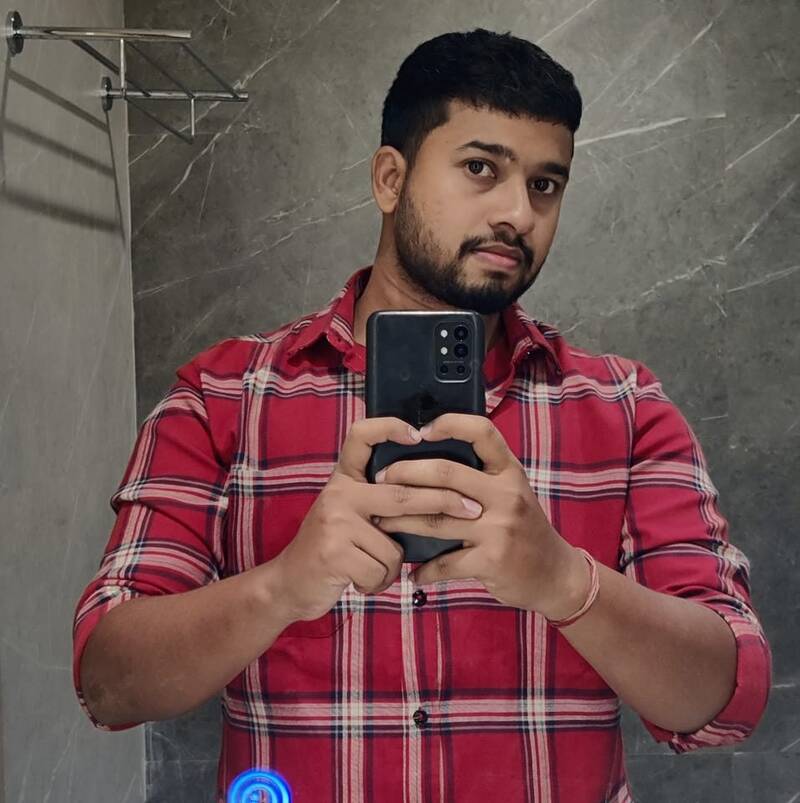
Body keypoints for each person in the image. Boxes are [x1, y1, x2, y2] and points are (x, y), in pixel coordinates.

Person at [72, 28, 772, 802]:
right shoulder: (225, 396)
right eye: (481, 168)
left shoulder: (626, 408)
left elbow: (728, 699)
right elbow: (108, 680)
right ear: (389, 178)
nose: (518, 212)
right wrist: (282, 587)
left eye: (545, 184)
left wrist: (565, 581)